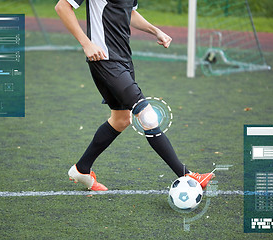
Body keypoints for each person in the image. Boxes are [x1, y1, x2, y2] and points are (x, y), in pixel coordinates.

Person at [55, 0, 214, 191]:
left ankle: (82, 169)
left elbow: (128, 12)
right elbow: (62, 7)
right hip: (104, 58)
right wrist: (86, 43)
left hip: (123, 60)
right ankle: (187, 175)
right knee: (147, 115)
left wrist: (156, 31)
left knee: (121, 119)